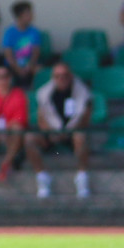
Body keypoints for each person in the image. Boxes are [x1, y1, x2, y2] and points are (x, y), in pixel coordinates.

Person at [25, 62, 91, 198]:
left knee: (80, 137)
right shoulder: (44, 94)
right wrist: (53, 132)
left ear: (71, 76)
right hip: (52, 133)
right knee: (29, 139)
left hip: (73, 131)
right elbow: (41, 119)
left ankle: (82, 178)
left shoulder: (83, 93)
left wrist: (68, 132)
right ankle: (42, 177)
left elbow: (85, 120)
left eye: (65, 75)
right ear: (53, 77)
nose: (62, 79)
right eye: (58, 76)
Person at [1, 0, 43, 88]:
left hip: (30, 65)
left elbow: (36, 52)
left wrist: (30, 66)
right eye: (28, 14)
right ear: (19, 16)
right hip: (13, 66)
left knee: (40, 71)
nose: (32, 16)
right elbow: (8, 54)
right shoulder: (9, 32)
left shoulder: (34, 32)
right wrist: (18, 69)